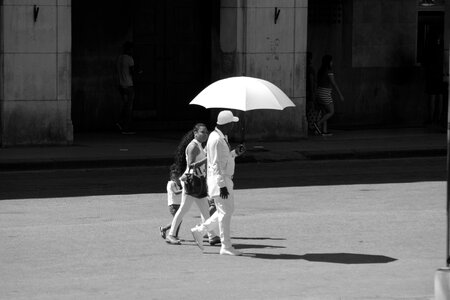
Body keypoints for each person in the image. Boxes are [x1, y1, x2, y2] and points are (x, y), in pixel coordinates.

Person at [190, 110, 246, 256]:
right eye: (232, 123)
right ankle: (226, 246)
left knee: (225, 211)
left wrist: (234, 153)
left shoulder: (220, 137)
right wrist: (222, 185)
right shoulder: (216, 139)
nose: (233, 126)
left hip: (223, 179)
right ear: (226, 124)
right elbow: (215, 164)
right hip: (220, 180)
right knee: (225, 213)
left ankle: (200, 231)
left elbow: (224, 158)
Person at [165, 123, 220, 246]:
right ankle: (171, 234)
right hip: (191, 183)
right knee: (183, 209)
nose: (205, 134)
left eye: (206, 132)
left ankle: (212, 236)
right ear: (195, 133)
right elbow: (191, 166)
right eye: (202, 132)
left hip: (198, 183)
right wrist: (207, 159)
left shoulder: (199, 146)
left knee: (205, 210)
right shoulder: (192, 147)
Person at [313, 54, 344, 136]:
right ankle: (317, 124)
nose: (332, 63)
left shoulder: (320, 70)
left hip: (319, 92)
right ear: (329, 62)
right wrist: (340, 94)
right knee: (331, 111)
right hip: (325, 93)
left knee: (325, 112)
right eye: (331, 61)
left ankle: (323, 131)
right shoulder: (329, 71)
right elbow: (334, 83)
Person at [423, 31, 444, 128]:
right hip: (440, 75)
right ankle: (438, 118)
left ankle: (430, 119)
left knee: (431, 97)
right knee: (439, 97)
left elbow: (425, 64)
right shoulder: (441, 49)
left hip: (431, 75)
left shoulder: (429, 49)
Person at [116, 41, 136, 134]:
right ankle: (126, 127)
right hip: (129, 85)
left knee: (125, 105)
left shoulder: (120, 58)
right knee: (129, 107)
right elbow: (132, 72)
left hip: (121, 84)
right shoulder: (129, 59)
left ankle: (120, 122)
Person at [159, 164, 182, 239]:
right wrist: (185, 190)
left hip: (178, 204)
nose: (178, 178)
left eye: (178, 176)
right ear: (172, 177)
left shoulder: (177, 183)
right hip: (173, 206)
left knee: (178, 220)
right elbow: (176, 192)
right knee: (178, 220)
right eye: (175, 177)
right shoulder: (171, 183)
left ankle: (173, 234)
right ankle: (167, 231)